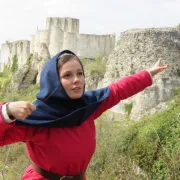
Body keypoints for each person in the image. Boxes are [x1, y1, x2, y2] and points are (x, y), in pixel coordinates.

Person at [0, 50, 168, 180]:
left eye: (80, 73)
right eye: (67, 75)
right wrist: (6, 111)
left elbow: (118, 90)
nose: (77, 80)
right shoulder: (36, 117)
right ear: (54, 81)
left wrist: (148, 74)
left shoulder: (89, 105)